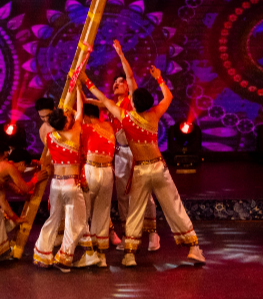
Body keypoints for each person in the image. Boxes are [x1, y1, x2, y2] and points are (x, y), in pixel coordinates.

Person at [85, 66, 205, 267]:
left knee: (135, 210)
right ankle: (193, 248)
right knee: (174, 206)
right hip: (158, 168)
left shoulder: (126, 117)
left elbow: (104, 100)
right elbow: (168, 97)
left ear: (133, 103)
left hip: (141, 170)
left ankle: (129, 255)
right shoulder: (154, 114)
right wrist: (159, 78)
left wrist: (86, 80)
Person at [109, 39, 160, 251]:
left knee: (144, 193)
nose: (117, 84)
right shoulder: (112, 107)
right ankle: (128, 234)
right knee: (123, 196)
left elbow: (130, 77)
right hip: (120, 155)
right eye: (114, 82)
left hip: (136, 152)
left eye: (120, 81)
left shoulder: (132, 101)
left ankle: (153, 234)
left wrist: (121, 54)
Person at [32, 89, 89, 271]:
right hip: (71, 184)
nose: (70, 117)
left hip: (56, 184)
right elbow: (80, 111)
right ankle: (65, 256)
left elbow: (49, 157)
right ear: (65, 123)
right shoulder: (74, 133)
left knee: (53, 218)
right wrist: (78, 88)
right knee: (76, 221)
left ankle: (42, 253)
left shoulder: (49, 136)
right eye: (67, 117)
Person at [74, 102, 116, 268]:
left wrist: (78, 92)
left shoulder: (85, 128)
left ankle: (89, 253)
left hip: (91, 171)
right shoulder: (109, 126)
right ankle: (101, 256)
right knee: (103, 213)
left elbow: (78, 118)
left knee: (83, 213)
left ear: (85, 117)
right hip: (107, 172)